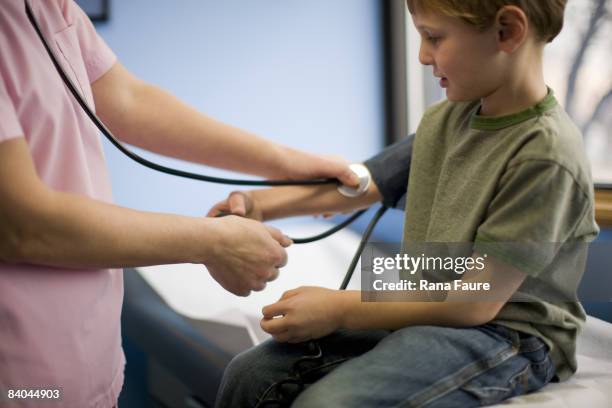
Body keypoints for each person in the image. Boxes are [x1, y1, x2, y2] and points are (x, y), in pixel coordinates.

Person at [212, 0, 600, 406]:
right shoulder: (446, 120)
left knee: (330, 404)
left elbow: (477, 301)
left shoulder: (544, 154)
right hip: (432, 300)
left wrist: (341, 307)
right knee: (249, 374)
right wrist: (255, 204)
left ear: (506, 30)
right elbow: (361, 184)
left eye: (434, 37)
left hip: (509, 330)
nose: (421, 56)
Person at [0, 1, 361, 407]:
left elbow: (128, 100)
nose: (421, 56)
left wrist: (287, 166)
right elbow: (21, 223)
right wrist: (220, 235)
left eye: (434, 37)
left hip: (80, 362)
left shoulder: (46, 7)